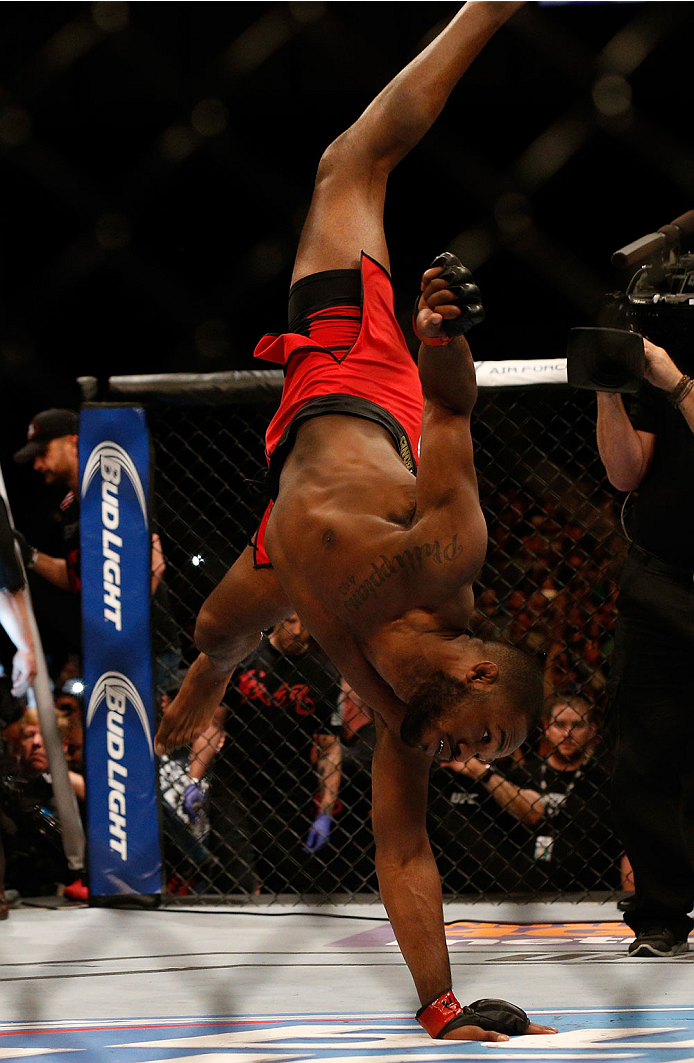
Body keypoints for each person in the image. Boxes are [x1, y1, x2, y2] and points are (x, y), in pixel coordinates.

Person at [156, 1, 555, 1042]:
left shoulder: (398, 715)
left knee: (214, 633)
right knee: (350, 162)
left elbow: (403, 849)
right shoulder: (445, 555)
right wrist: (442, 331)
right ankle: (490, 6)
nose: (489, 755)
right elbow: (455, 411)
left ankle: (208, 674)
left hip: (287, 543)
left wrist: (440, 1005)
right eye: (499, 737)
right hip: (357, 380)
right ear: (479, 673)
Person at [597, 333, 694, 957]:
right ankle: (660, 913)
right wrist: (606, 388)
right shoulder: (677, 348)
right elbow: (627, 470)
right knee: (646, 752)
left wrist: (678, 382)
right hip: (663, 580)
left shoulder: (676, 372)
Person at [13, 408, 181, 695]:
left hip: (147, 646)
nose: (38, 465)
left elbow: (154, 562)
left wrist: (121, 632)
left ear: (74, 443)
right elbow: (74, 576)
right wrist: (27, 554)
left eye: (43, 452)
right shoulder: (69, 507)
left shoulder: (115, 486)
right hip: (108, 649)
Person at [183, 614, 342, 893]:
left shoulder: (323, 674)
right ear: (278, 619)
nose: (298, 631)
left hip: (289, 791)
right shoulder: (246, 657)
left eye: (306, 625)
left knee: (290, 885)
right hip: (235, 785)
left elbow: (329, 746)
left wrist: (325, 809)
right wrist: (193, 779)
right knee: (236, 878)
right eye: (292, 621)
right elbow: (215, 723)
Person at [437, 695, 622, 894]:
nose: (568, 733)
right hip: (529, 889)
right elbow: (528, 813)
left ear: (592, 730)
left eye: (577, 725)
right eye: (560, 724)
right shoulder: (524, 774)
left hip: (594, 890)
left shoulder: (605, 780)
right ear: (546, 728)